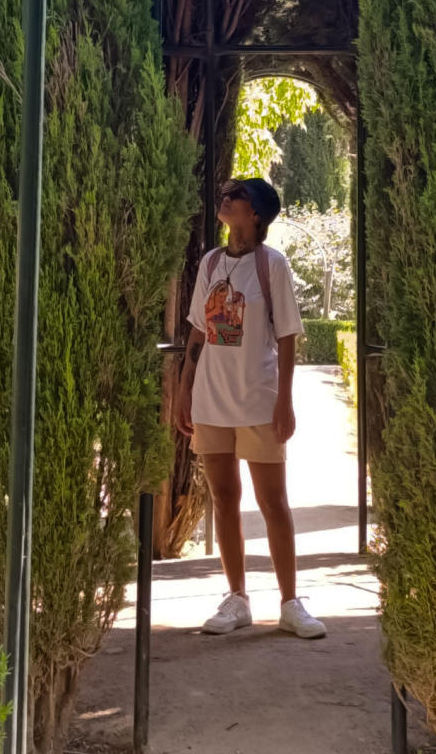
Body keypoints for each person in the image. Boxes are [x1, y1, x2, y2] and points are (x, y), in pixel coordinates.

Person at [176, 175, 327, 639]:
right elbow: (199, 330)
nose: (227, 198)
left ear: (255, 214)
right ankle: (237, 598)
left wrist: (285, 400)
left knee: (272, 501)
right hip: (211, 399)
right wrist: (185, 386)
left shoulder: (272, 265)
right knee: (224, 497)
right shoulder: (210, 262)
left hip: (258, 399)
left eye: (238, 195)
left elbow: (288, 336)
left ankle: (290, 603)